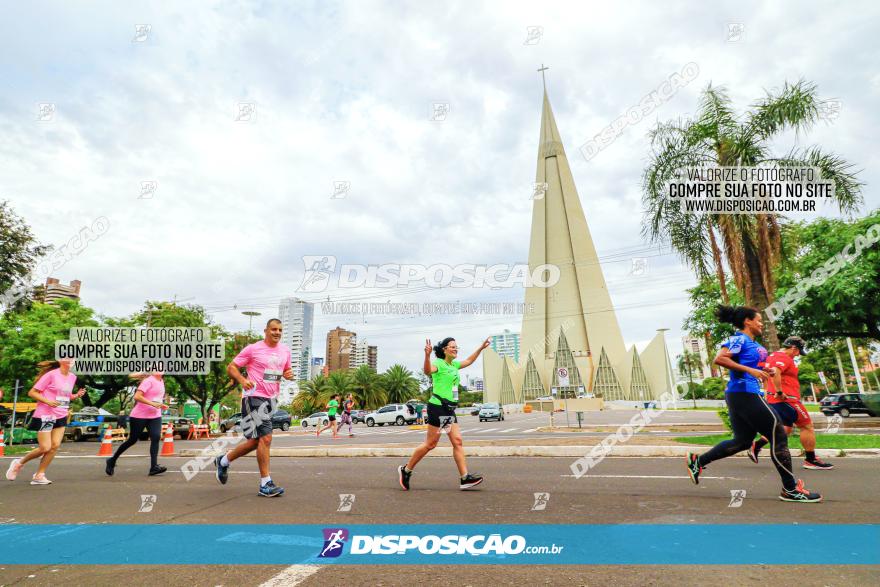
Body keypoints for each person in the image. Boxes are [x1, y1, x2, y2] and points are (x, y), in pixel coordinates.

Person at [685, 306, 821, 503]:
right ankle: (790, 489)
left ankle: (698, 461)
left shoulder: (752, 343)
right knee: (779, 434)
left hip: (742, 394)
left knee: (742, 441)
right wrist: (752, 371)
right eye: (757, 320)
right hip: (744, 393)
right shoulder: (738, 338)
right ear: (747, 321)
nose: (760, 324)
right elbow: (720, 359)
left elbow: (755, 365)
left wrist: (766, 369)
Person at [214, 319, 293, 497]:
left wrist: (289, 374)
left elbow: (287, 370)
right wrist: (242, 380)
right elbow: (232, 367)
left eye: (280, 330)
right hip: (254, 397)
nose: (277, 332)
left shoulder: (285, 350)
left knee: (256, 442)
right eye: (273, 329)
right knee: (266, 438)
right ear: (266, 330)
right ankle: (265, 484)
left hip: (271, 401)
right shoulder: (253, 348)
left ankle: (224, 460)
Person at [398, 337, 489, 491]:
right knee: (431, 444)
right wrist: (427, 355)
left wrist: (481, 348)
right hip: (437, 407)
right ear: (444, 349)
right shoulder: (439, 364)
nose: (455, 349)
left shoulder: (454, 365)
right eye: (452, 347)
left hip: (448, 409)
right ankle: (406, 470)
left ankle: (465, 478)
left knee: (457, 441)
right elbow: (427, 371)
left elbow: (469, 361)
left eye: (456, 347)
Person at [749, 336, 833, 470]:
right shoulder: (783, 358)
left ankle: (756, 446)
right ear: (793, 348)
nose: (798, 354)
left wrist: (768, 391)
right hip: (787, 399)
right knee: (807, 426)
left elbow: (764, 373)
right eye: (798, 351)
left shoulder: (771, 356)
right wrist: (779, 391)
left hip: (776, 398)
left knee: (785, 429)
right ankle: (810, 460)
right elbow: (776, 372)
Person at [5, 359, 85, 484]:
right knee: (45, 447)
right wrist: (47, 401)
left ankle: (39, 475)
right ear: (61, 360)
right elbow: (32, 392)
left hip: (61, 414)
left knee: (54, 447)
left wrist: (75, 395)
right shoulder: (51, 374)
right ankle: (18, 463)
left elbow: (64, 394)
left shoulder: (72, 377)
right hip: (46, 414)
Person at [105, 372, 168, 477]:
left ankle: (154, 467)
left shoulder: (161, 381)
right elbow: (137, 396)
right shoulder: (148, 381)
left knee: (156, 437)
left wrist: (161, 405)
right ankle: (112, 460)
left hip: (155, 415)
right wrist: (153, 404)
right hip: (139, 415)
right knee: (132, 440)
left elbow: (155, 398)